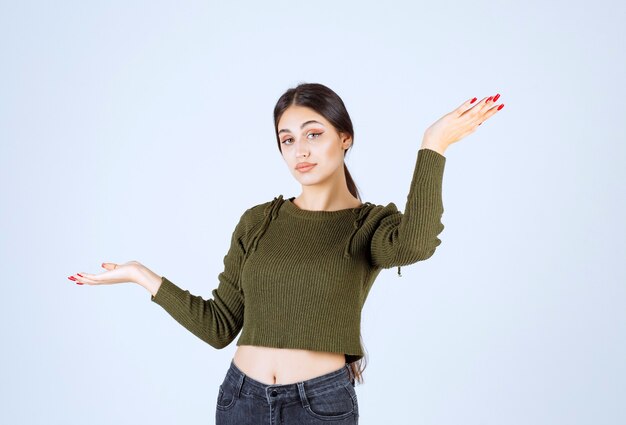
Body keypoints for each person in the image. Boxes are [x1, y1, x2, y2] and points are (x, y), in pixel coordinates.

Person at [68, 83, 504, 424]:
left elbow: (415, 244)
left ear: (345, 138)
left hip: (320, 406)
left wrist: (434, 145)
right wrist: (142, 276)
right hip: (240, 400)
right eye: (287, 139)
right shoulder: (258, 221)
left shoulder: (369, 225)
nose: (301, 150)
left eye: (314, 134)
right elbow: (220, 326)